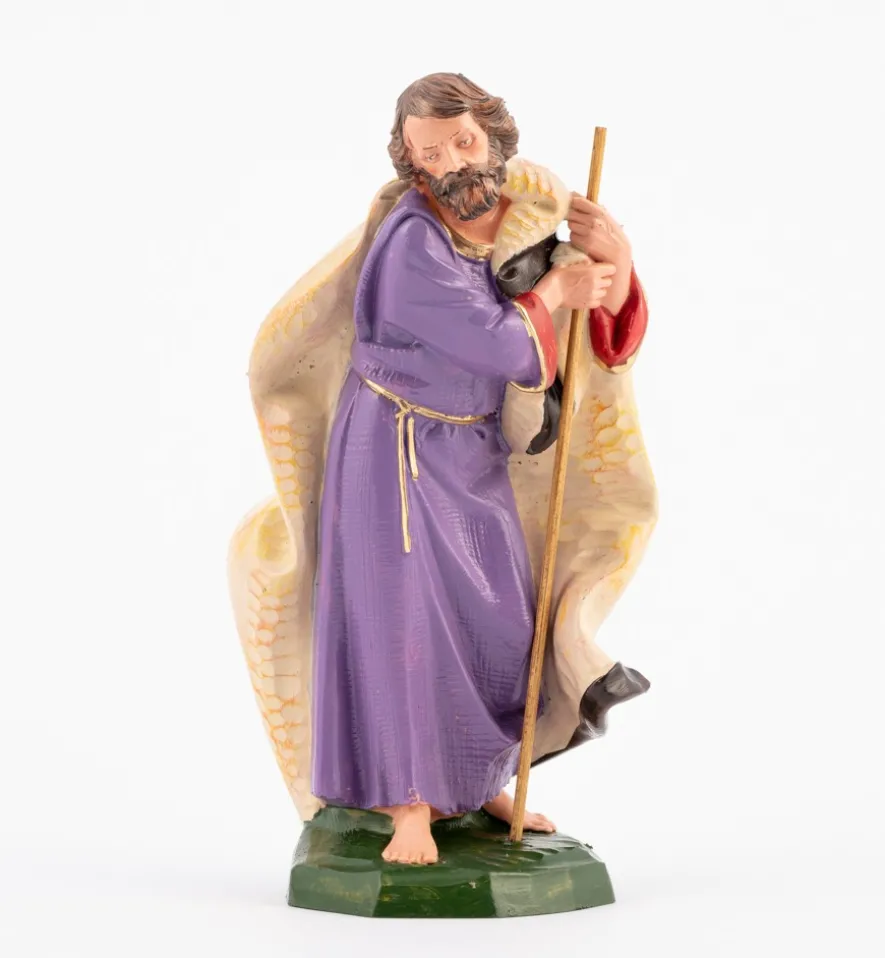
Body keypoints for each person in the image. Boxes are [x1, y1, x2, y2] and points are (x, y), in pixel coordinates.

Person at [228, 73, 657, 866]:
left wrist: (613, 261)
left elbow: (603, 333)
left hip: (472, 451)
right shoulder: (409, 240)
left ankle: (476, 778)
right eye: (431, 153)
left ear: (493, 138)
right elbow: (493, 341)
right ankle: (409, 804)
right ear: (410, 161)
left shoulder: (525, 215)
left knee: (497, 616)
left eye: (463, 142)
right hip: (395, 452)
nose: (453, 163)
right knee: (404, 624)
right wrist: (555, 292)